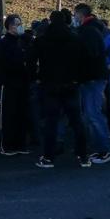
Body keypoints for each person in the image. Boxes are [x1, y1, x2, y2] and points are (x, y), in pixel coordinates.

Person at [32, 11, 89, 169]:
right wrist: (78, 79)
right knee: (77, 121)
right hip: (71, 85)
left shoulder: (42, 40)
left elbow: (31, 60)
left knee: (51, 122)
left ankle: (48, 157)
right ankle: (83, 155)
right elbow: (84, 62)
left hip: (50, 85)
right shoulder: (75, 39)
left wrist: (37, 76)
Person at [73, 3, 110, 164]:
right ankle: (100, 147)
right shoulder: (95, 29)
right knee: (91, 114)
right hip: (94, 77)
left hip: (92, 78)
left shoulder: (87, 32)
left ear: (80, 15)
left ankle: (105, 148)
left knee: (93, 114)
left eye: (75, 15)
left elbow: (88, 55)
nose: (74, 18)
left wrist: (81, 73)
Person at [0, 15, 31, 155]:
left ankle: (21, 143)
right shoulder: (4, 42)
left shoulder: (23, 41)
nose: (20, 26)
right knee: (9, 114)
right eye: (18, 24)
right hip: (10, 82)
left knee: (22, 113)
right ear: (10, 26)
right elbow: (2, 62)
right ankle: (8, 144)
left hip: (23, 82)